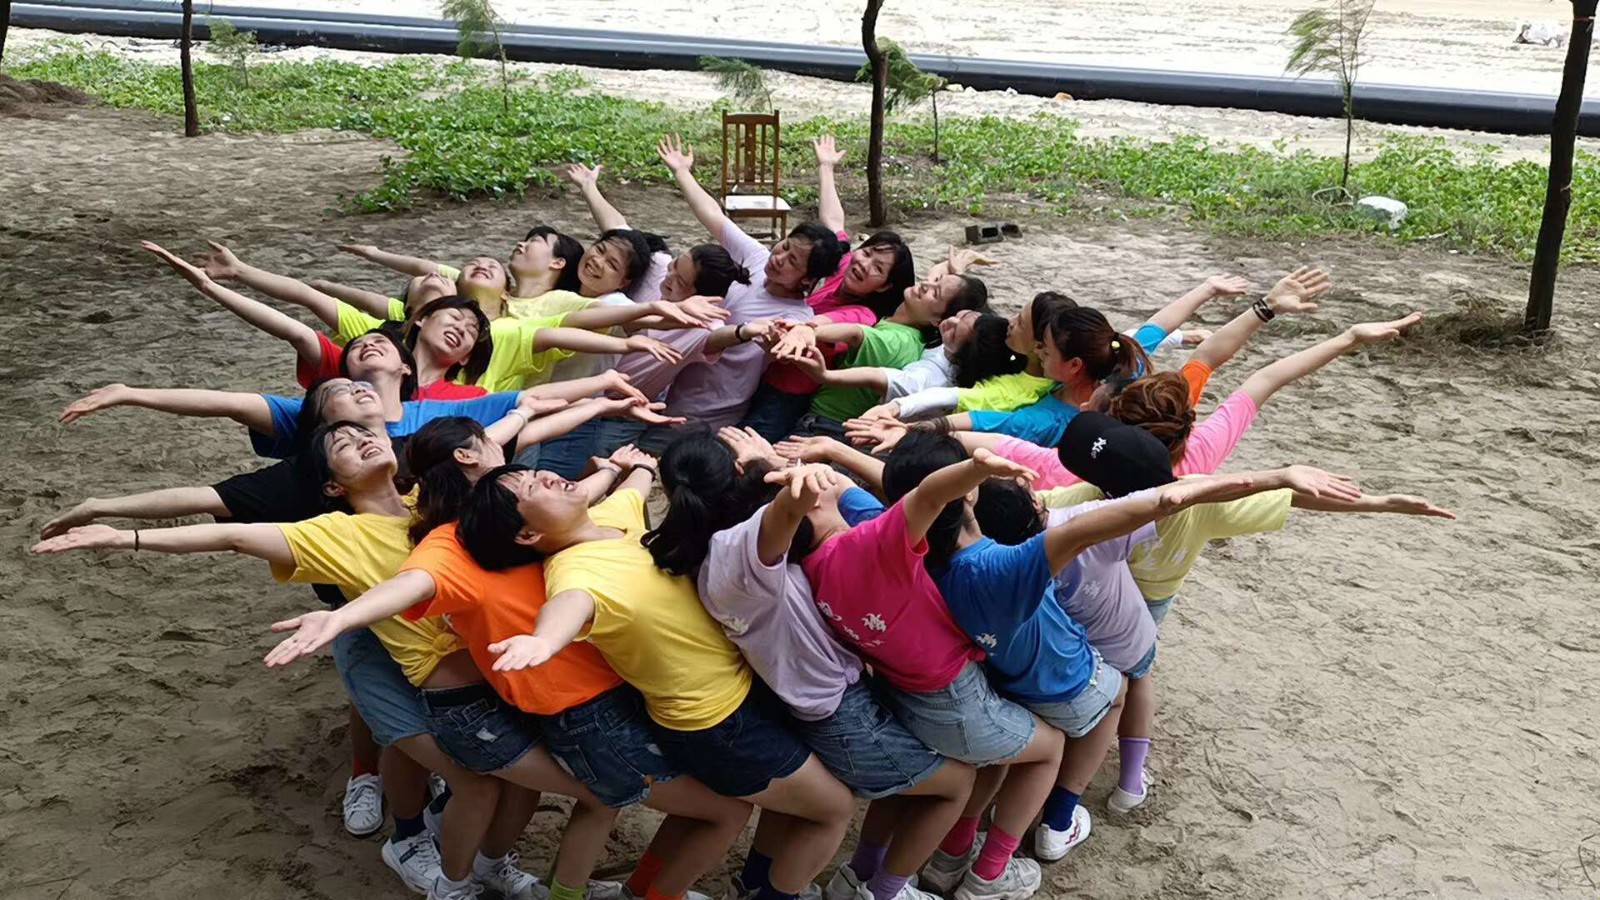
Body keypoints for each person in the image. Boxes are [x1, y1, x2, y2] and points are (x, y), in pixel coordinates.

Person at [32, 423, 550, 900]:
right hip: (407, 665)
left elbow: (492, 442)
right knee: (436, 758)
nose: (362, 441)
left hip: (480, 666)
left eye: (364, 434)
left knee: (486, 773)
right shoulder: (335, 533)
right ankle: (416, 840)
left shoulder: (431, 498)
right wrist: (125, 537)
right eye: (342, 446)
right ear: (332, 487)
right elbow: (231, 535)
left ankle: (468, 850)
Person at [260, 419, 748, 900]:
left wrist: (631, 468)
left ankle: (491, 865)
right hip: (479, 708)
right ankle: (449, 880)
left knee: (530, 791)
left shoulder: (544, 528)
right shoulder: (459, 541)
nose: (533, 469)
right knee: (533, 791)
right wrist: (342, 619)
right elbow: (411, 584)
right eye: (502, 452)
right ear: (469, 457)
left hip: (527, 699)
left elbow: (602, 494)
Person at [457, 459, 857, 900]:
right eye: (533, 488)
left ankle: (676, 889)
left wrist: (637, 465)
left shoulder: (609, 520)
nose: (549, 477)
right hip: (718, 722)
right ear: (528, 534)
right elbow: (570, 605)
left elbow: (634, 487)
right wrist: (544, 641)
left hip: (736, 695)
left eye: (538, 472)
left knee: (743, 809)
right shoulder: (575, 572)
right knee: (833, 810)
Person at [644, 432, 976, 900]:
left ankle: (758, 882)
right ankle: (882, 891)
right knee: (955, 784)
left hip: (808, 706)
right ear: (738, 474)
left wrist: (770, 468)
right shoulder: (740, 549)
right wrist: (798, 485)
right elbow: (782, 514)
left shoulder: (706, 546)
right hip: (843, 715)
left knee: (798, 805)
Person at [785, 445, 1064, 900]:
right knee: (1049, 747)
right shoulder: (873, 546)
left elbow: (896, 498)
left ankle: (863, 873)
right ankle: (984, 875)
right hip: (952, 698)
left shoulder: (815, 560)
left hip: (898, 692)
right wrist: (974, 468)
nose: (824, 485)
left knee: (913, 785)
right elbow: (927, 497)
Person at [652, 133, 848, 432]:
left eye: (793, 261)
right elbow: (713, 217)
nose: (779, 258)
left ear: (807, 279)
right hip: (672, 378)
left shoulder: (796, 317)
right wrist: (682, 172)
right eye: (784, 246)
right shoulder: (757, 257)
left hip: (709, 409)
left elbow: (781, 349)